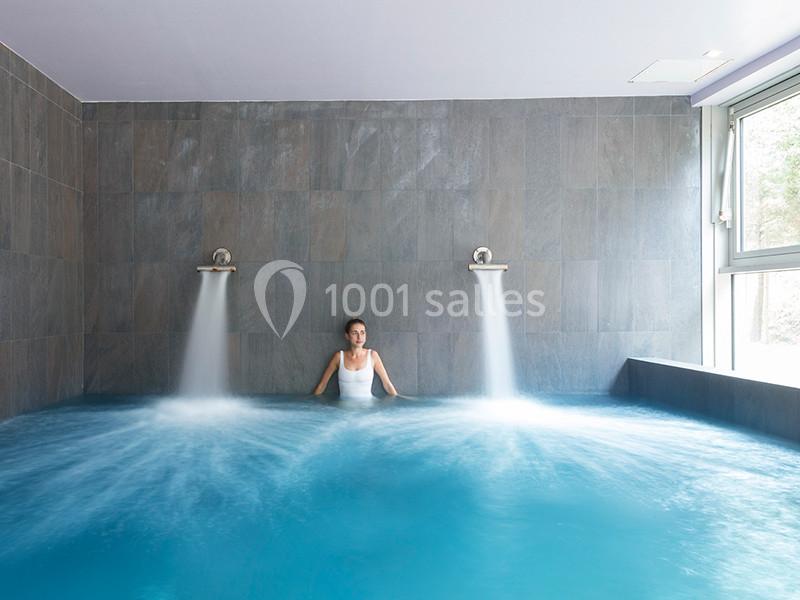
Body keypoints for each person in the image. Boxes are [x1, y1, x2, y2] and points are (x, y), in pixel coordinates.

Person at [313, 318, 397, 398]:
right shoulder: (339, 357)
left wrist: (398, 403)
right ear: (347, 336)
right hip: (343, 410)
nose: (359, 337)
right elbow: (322, 385)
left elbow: (387, 384)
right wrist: (310, 406)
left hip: (368, 409)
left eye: (362, 332)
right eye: (354, 333)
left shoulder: (372, 355)